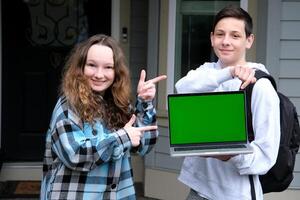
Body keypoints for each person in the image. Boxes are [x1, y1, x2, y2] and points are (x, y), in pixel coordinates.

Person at [40, 34, 167, 200]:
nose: (99, 74)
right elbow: (76, 155)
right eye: (92, 65)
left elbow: (144, 145)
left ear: (116, 72)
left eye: (108, 67)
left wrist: (144, 102)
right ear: (80, 68)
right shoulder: (68, 105)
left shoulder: (119, 104)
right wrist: (122, 137)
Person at [175, 5, 280, 200]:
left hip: (235, 193)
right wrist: (229, 72)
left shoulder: (260, 86)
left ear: (249, 40)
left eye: (235, 36)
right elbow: (182, 88)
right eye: (220, 34)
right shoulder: (207, 72)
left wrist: (230, 154)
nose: (225, 42)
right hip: (198, 190)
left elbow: (266, 155)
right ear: (212, 38)